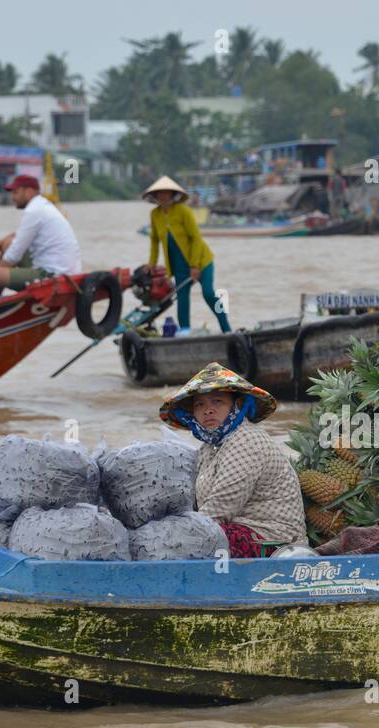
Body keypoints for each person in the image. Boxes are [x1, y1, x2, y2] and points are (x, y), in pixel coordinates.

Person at [158, 362, 305, 557]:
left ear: (237, 406)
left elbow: (220, 509)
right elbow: (197, 505)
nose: (207, 410)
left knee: (198, 539)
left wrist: (172, 534)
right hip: (238, 529)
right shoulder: (210, 447)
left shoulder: (246, 441)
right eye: (199, 404)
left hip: (273, 542)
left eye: (217, 401)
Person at [143, 176, 230, 332]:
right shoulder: (155, 214)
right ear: (155, 196)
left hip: (202, 260)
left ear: (172, 194)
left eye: (166, 193)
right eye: (160, 193)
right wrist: (151, 263)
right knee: (182, 297)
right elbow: (155, 241)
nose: (163, 196)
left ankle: (226, 328)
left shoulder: (183, 211)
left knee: (208, 293)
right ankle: (184, 331)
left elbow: (196, 238)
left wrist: (195, 265)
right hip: (179, 264)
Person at [0, 174, 81, 296]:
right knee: (8, 244)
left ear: (29, 192)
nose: (12, 197)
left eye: (15, 192)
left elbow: (14, 254)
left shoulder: (33, 211)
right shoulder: (41, 206)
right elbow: (18, 237)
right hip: (65, 271)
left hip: (53, 275)